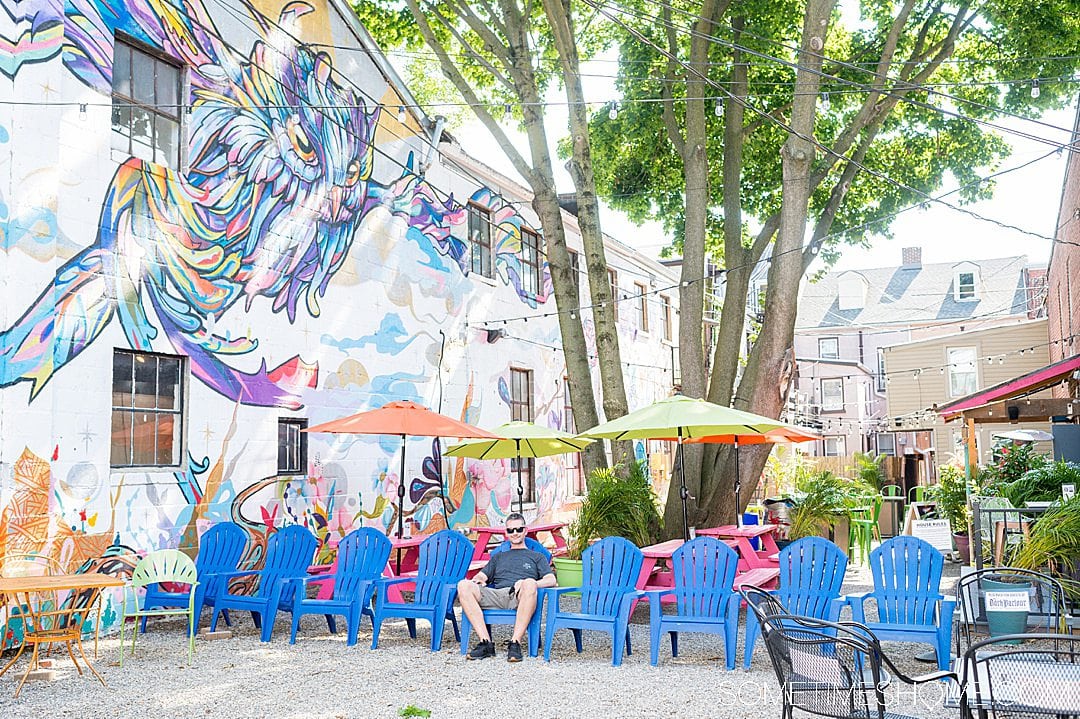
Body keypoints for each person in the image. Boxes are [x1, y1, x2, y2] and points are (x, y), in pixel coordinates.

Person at [458, 512, 557, 662]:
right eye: (511, 530)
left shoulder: (537, 557)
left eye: (518, 529)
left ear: (525, 530)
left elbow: (551, 579)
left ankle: (515, 643)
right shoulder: (498, 556)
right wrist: (478, 580)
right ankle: (486, 643)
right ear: (506, 533)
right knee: (463, 585)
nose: (515, 533)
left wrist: (528, 582)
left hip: (520, 596)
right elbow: (482, 576)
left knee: (530, 583)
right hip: (497, 595)